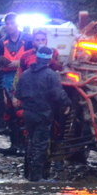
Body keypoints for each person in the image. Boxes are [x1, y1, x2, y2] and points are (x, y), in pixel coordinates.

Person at [14, 45, 68, 181]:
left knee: (31, 142)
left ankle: (28, 174)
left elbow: (18, 93)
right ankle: (37, 177)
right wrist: (67, 103)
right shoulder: (51, 75)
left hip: (27, 114)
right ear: (50, 60)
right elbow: (58, 95)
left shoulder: (26, 73)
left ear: (37, 58)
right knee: (41, 145)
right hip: (42, 114)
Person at [0, 13, 30, 155]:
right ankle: (14, 145)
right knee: (10, 114)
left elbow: (32, 57)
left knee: (23, 113)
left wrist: (20, 62)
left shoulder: (27, 40)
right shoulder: (2, 42)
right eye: (7, 24)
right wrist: (0, 65)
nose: (9, 26)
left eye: (12, 23)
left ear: (17, 24)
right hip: (8, 81)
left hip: (24, 80)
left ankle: (25, 145)